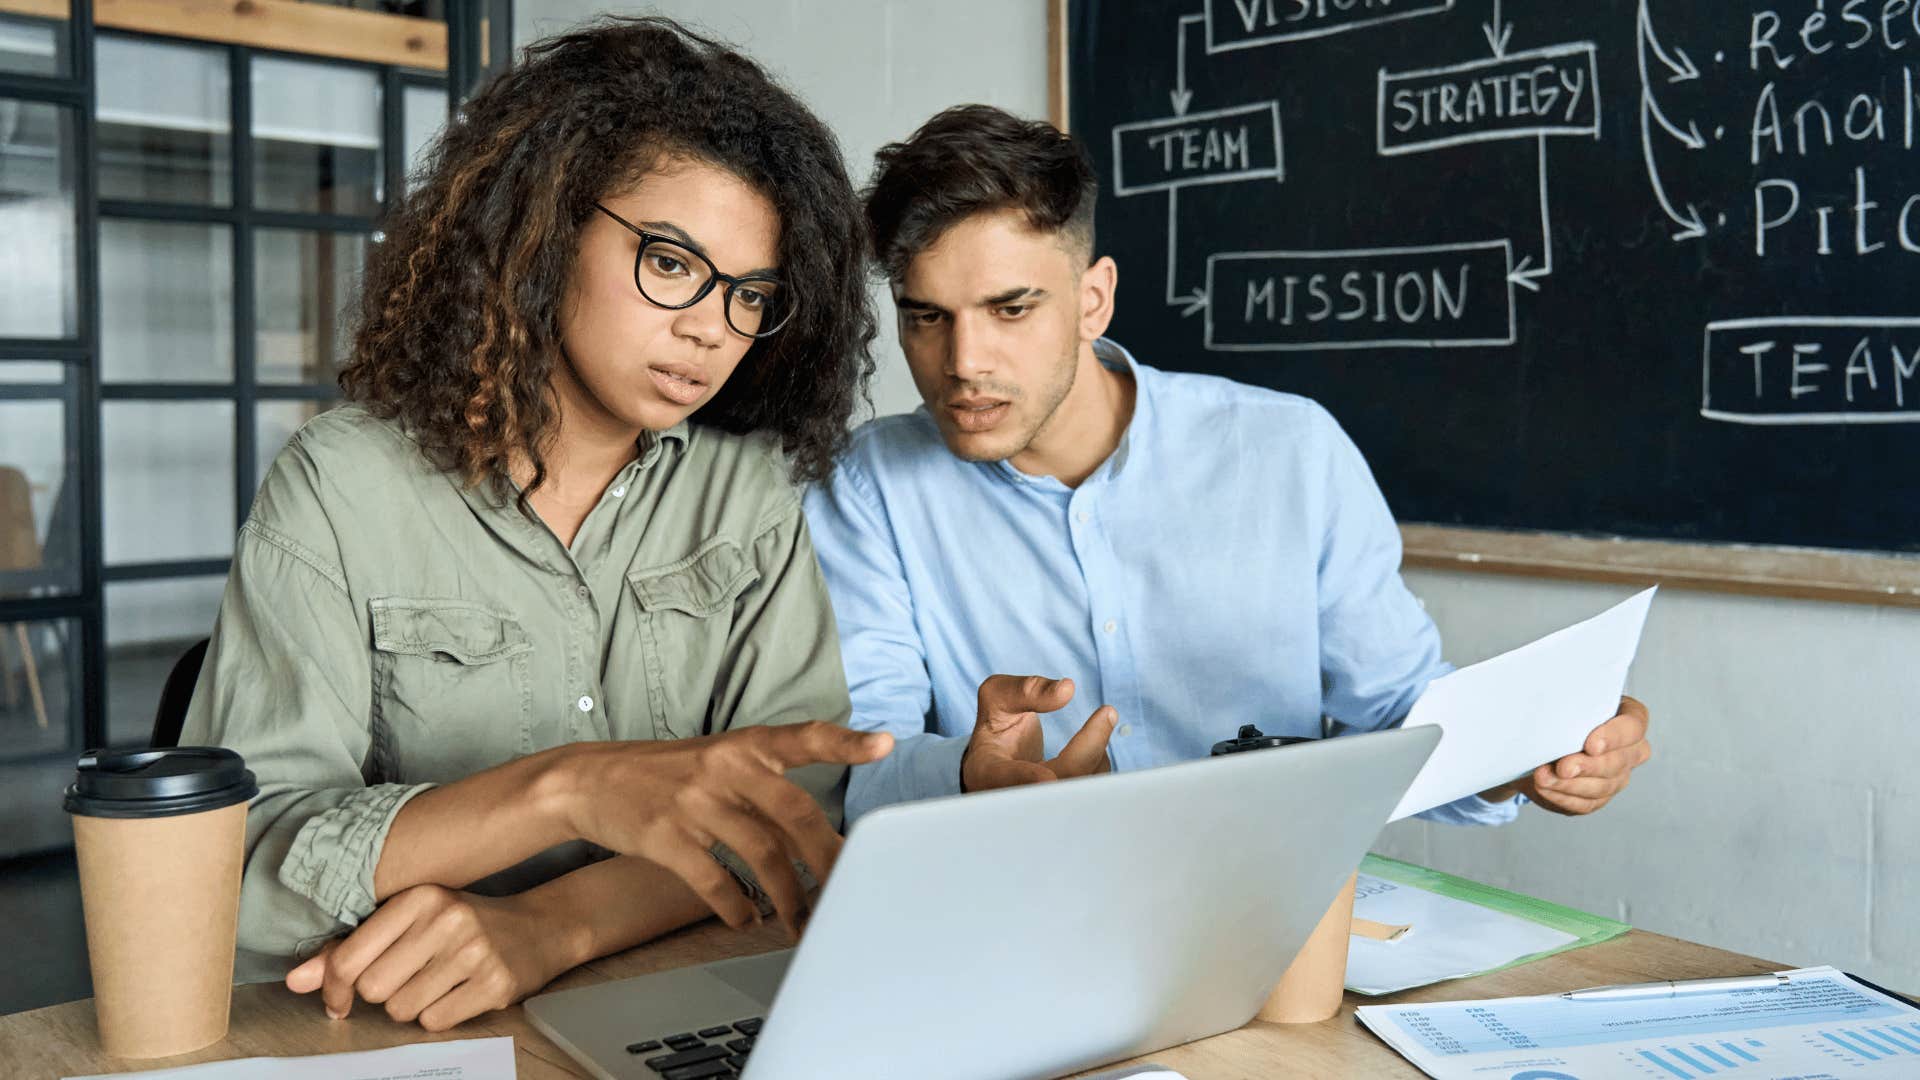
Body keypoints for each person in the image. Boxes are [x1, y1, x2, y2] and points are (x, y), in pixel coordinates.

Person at [178, 17, 891, 1032]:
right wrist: (564, 790)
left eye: (750, 296)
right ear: (547, 227)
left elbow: (791, 814)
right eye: (672, 264)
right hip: (383, 1026)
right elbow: (242, 869)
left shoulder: (746, 492)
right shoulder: (340, 487)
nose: (708, 328)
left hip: (665, 994)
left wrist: (554, 927)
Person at [805, 105, 1652, 825]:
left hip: (1270, 923)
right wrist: (963, 771)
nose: (964, 361)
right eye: (926, 318)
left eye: (1010, 309)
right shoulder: (869, 485)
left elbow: (1401, 717)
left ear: (1091, 300)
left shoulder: (1290, 451)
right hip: (1028, 916)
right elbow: (861, 765)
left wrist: (1544, 747)